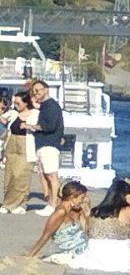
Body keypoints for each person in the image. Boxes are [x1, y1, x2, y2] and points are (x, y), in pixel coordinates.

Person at [22, 180, 90, 264]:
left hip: (81, 248)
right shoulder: (60, 212)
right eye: (82, 198)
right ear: (72, 196)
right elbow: (46, 235)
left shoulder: (77, 210)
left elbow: (86, 231)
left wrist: (86, 212)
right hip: (66, 253)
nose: (83, 200)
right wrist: (30, 256)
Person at [25, 78, 66, 211]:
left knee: (51, 175)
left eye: (38, 90)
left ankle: (53, 204)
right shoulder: (45, 106)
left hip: (50, 144)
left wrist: (31, 126)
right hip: (43, 144)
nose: (36, 93)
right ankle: (51, 203)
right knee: (46, 175)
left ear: (46, 90)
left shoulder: (52, 106)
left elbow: (49, 126)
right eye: (34, 92)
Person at [2, 90, 31, 211]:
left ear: (26, 103)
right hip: (12, 144)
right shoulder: (14, 114)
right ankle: (7, 203)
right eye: (15, 103)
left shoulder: (33, 114)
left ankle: (19, 203)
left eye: (18, 103)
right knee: (10, 175)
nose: (16, 106)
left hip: (25, 144)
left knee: (21, 175)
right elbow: (7, 124)